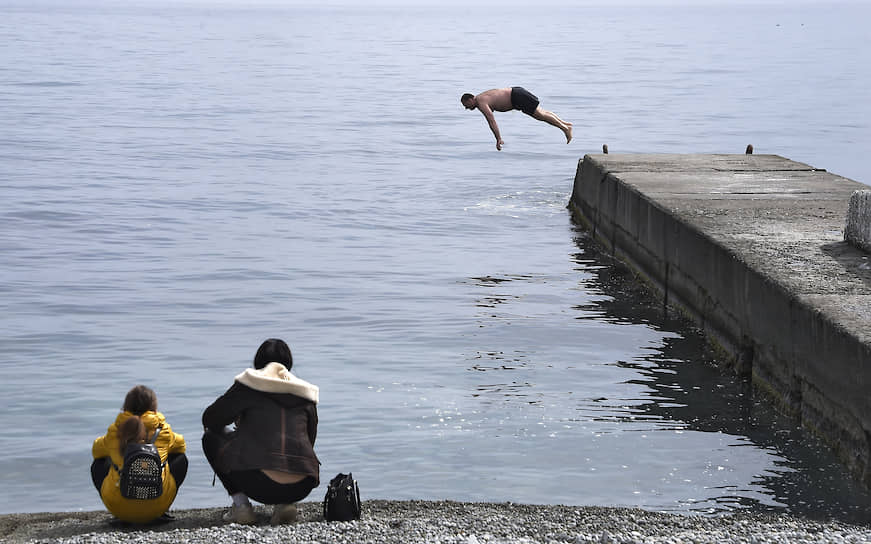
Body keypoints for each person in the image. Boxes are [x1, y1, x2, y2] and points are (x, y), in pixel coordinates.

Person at [202, 338, 320, 525]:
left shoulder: (250, 385)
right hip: (303, 483)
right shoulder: (305, 394)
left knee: (210, 438)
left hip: (258, 482)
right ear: (288, 364)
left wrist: (240, 422)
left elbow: (210, 420)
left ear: (258, 363)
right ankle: (285, 504)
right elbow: (309, 439)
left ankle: (241, 508)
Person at [91, 385, 188, 524]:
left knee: (100, 462)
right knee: (180, 458)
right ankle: (162, 510)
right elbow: (181, 446)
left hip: (119, 508)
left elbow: (96, 451)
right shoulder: (164, 431)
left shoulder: (115, 431)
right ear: (154, 409)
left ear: (125, 408)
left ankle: (120, 510)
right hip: (157, 506)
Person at [461, 87, 572, 150]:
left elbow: (491, 121)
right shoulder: (481, 97)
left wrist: (498, 138)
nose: (466, 108)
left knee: (541, 115)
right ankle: (565, 125)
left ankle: (565, 129)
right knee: (542, 112)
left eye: (466, 105)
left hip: (517, 97)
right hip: (517, 93)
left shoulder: (481, 102)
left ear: (471, 99)